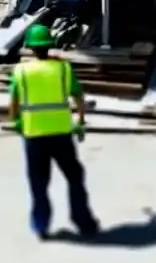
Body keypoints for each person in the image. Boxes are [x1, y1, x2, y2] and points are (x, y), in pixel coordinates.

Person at [8, 25, 100, 240]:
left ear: (30, 48)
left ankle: (41, 226)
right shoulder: (62, 69)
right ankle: (83, 221)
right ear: (50, 45)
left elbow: (13, 102)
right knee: (75, 176)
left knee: (38, 183)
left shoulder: (21, 72)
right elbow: (78, 96)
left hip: (33, 136)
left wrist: (17, 122)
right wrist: (80, 120)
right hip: (60, 134)